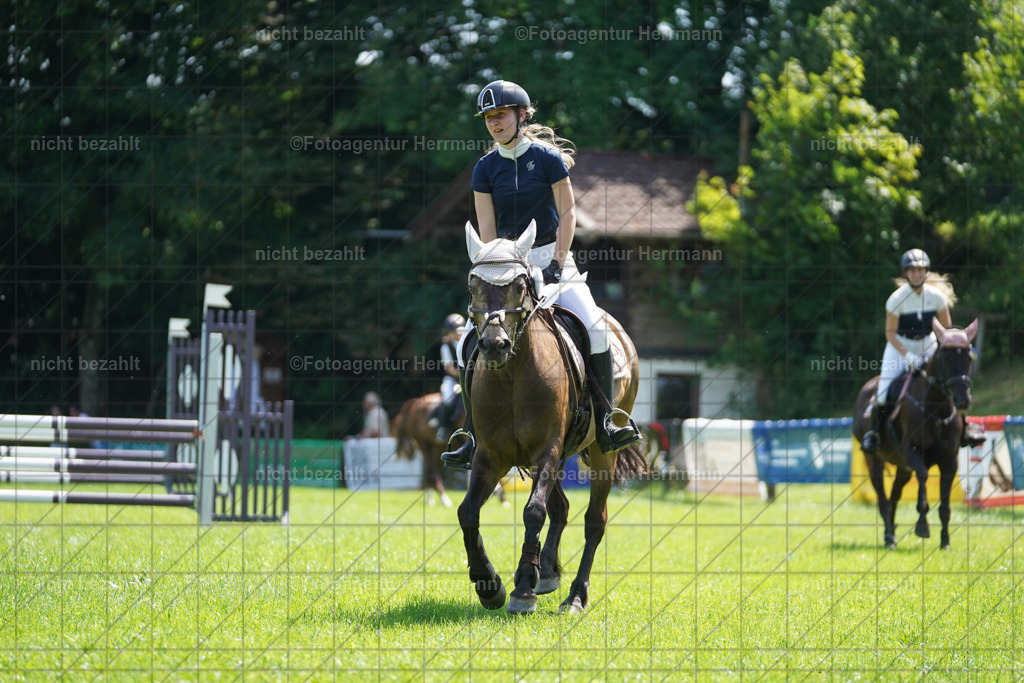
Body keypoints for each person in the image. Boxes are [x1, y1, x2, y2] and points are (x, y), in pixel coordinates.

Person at [441, 79, 642, 469]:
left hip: (554, 258)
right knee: (470, 337)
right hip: (505, 265)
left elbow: (567, 214)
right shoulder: (484, 169)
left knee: (595, 327)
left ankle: (606, 419)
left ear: (521, 115)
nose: (494, 123)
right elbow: (487, 227)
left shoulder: (548, 159)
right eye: (488, 117)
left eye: (500, 115)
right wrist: (495, 266)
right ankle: (470, 433)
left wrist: (557, 262)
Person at [861, 248, 985, 453]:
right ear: (905, 273)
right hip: (900, 345)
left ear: (926, 271)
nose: (917, 274)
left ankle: (966, 428)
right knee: (883, 392)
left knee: (953, 381)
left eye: (920, 270)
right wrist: (908, 356)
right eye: (912, 270)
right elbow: (890, 334)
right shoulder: (895, 299)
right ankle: (873, 434)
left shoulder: (937, 297)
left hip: (929, 343)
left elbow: (946, 332)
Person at [426, 313, 465, 442]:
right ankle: (442, 428)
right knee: (448, 399)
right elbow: (449, 368)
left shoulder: (466, 344)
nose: (458, 334)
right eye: (455, 332)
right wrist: (462, 375)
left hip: (467, 378)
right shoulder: (446, 347)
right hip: (453, 380)